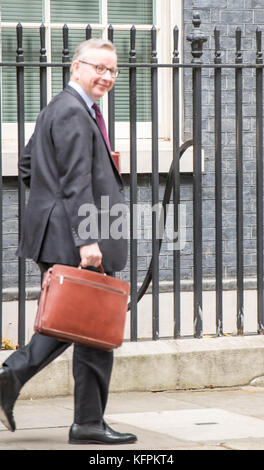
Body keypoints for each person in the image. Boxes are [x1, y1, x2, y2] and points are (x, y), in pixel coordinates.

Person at [0, 38, 137, 445]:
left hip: (61, 233)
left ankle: (83, 418)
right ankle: (20, 383)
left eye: (112, 70)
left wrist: (48, 204)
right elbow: (75, 182)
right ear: (76, 67)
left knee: (78, 325)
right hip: (77, 239)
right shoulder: (75, 113)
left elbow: (29, 166)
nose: (107, 76)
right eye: (99, 67)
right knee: (87, 325)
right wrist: (86, 239)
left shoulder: (59, 108)